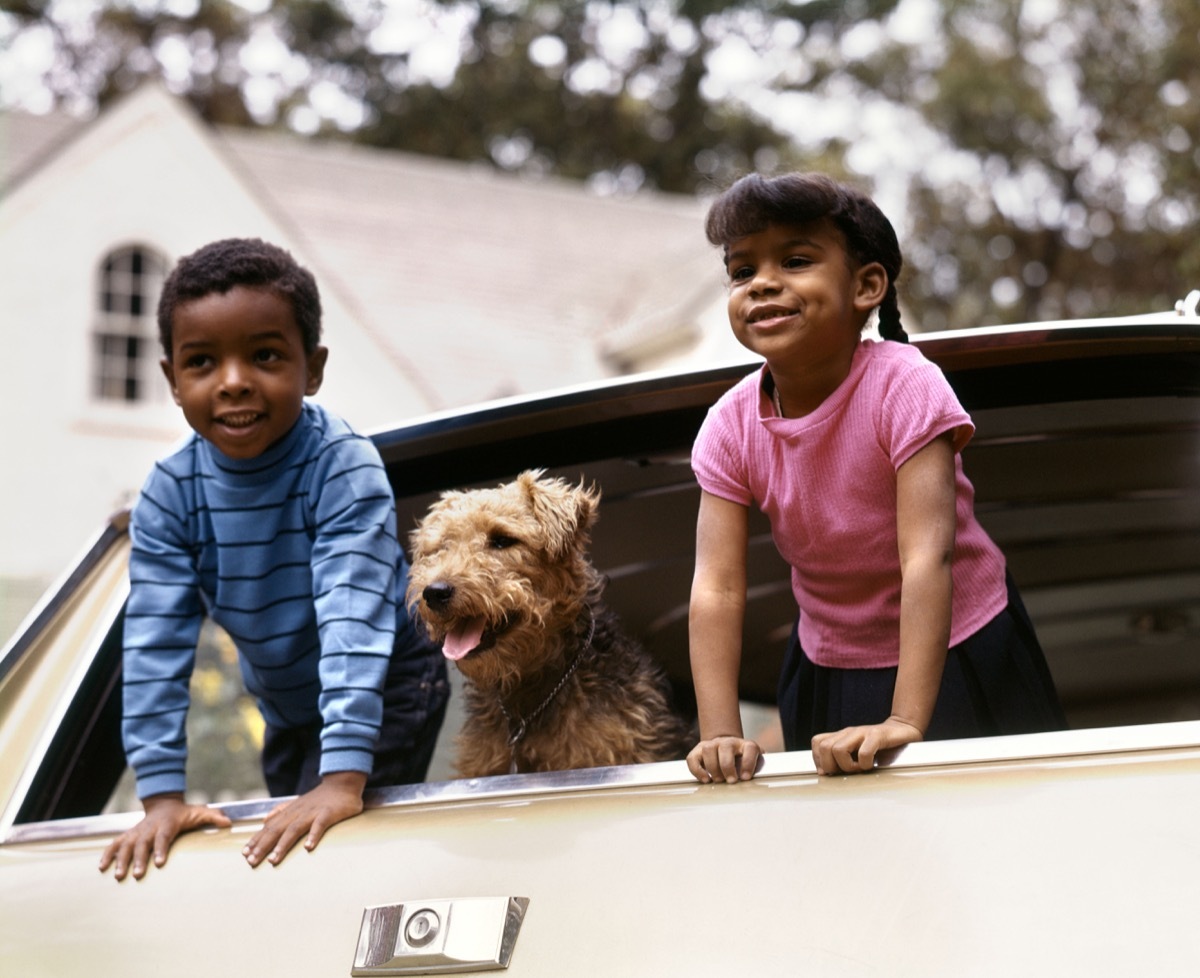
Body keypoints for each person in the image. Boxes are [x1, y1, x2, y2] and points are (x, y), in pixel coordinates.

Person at [685, 172, 1064, 783]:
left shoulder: (905, 385)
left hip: (961, 642)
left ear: (866, 286)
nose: (763, 284)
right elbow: (718, 589)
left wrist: (909, 720)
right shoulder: (729, 425)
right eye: (742, 271)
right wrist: (720, 733)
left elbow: (926, 558)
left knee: (1005, 816)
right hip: (829, 660)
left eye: (796, 259)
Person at [99, 238, 448, 880]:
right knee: (282, 847)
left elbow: (353, 621)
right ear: (173, 379)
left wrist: (343, 777)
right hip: (286, 707)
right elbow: (155, 646)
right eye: (202, 362)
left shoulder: (340, 466)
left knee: (317, 854)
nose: (233, 382)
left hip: (390, 681)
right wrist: (161, 799)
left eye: (264, 355)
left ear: (311, 368)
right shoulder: (170, 495)